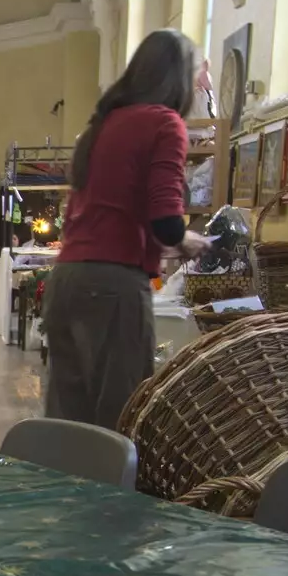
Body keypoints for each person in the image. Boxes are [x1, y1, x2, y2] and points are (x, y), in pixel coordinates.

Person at [44, 29, 209, 428]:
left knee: (66, 421)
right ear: (180, 78)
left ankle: (60, 491)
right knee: (121, 418)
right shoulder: (164, 123)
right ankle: (111, 494)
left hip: (67, 279)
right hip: (113, 284)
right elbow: (167, 220)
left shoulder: (105, 122)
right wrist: (186, 240)